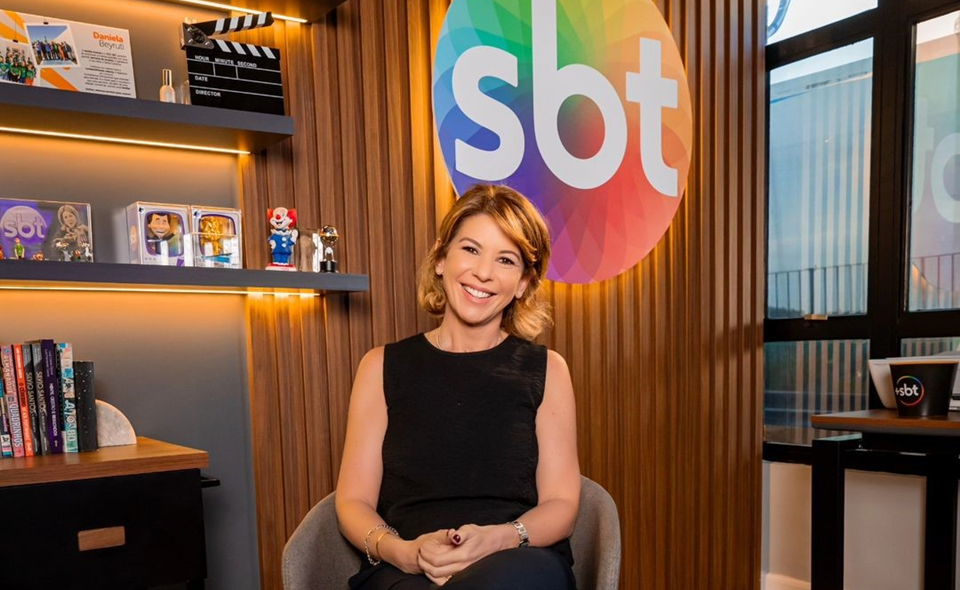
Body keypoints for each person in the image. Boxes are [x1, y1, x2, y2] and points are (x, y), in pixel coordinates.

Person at [336, 184, 581, 589]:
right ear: (440, 258)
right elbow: (352, 501)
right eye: (470, 249)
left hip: (516, 563)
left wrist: (499, 538)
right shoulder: (379, 366)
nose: (483, 272)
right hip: (406, 568)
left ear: (523, 282)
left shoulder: (547, 370)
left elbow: (562, 504)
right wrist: (405, 552)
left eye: (505, 260)